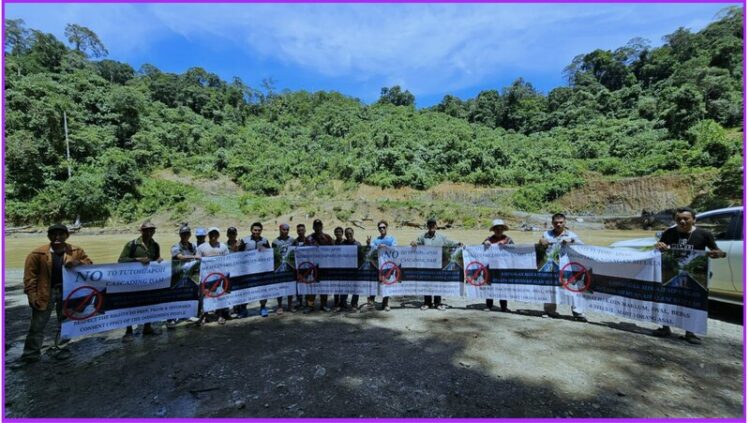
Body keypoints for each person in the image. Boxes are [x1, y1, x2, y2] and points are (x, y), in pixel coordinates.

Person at [18, 224, 92, 364]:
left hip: (68, 292)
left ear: (67, 235)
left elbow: (89, 264)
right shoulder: (37, 254)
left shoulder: (76, 251)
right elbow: (30, 278)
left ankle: (62, 348)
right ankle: (30, 354)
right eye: (53, 234)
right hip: (45, 292)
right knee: (37, 325)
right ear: (48, 236)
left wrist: (78, 262)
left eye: (61, 234)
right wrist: (32, 295)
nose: (57, 237)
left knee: (65, 322)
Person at [652, 207, 726, 345]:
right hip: (672, 273)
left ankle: (690, 333)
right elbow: (659, 249)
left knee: (691, 301)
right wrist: (658, 246)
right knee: (668, 299)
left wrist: (719, 254)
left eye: (686, 219)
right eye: (679, 219)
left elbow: (718, 251)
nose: (682, 221)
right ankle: (665, 328)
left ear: (694, 220)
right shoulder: (669, 233)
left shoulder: (704, 234)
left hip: (695, 274)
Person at [118, 220, 164, 341]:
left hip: (149, 281)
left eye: (151, 230)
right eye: (146, 230)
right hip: (133, 281)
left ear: (154, 231)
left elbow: (155, 258)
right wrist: (137, 260)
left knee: (149, 303)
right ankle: (128, 331)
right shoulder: (132, 244)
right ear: (141, 231)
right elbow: (121, 260)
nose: (149, 232)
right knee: (131, 304)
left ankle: (147, 327)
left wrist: (159, 259)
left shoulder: (155, 245)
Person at [538, 213, 587, 322]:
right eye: (556, 223)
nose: (558, 224)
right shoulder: (546, 234)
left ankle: (578, 313)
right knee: (550, 289)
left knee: (573, 289)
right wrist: (541, 242)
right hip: (551, 267)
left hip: (567, 267)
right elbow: (540, 245)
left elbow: (584, 247)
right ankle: (549, 311)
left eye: (561, 222)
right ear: (552, 223)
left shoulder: (571, 235)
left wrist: (572, 241)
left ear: (565, 223)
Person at [411, 217, 460, 311]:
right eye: (429, 225)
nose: (431, 226)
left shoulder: (441, 237)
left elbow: (450, 243)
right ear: (427, 226)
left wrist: (458, 243)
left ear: (436, 226)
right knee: (427, 284)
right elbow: (416, 243)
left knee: (438, 283)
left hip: (438, 264)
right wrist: (413, 243)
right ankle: (427, 303)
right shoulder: (422, 237)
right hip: (426, 265)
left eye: (433, 225)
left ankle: (438, 303)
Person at [168, 223, 200, 329]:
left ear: (190, 234)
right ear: (180, 235)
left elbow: (198, 257)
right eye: (183, 234)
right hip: (178, 275)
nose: (185, 235)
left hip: (190, 275)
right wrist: (194, 256)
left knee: (189, 295)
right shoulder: (175, 246)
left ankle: (188, 315)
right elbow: (179, 257)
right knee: (176, 296)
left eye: (187, 233)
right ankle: (172, 318)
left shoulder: (193, 246)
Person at [197, 227, 231, 324]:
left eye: (215, 234)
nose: (213, 236)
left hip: (219, 276)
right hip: (206, 276)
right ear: (208, 235)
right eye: (211, 234)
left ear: (218, 235)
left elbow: (228, 260)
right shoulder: (201, 247)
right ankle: (205, 315)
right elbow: (197, 261)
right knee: (206, 295)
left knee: (219, 294)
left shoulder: (223, 247)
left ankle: (220, 315)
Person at [240, 222, 272, 317]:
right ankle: (244, 309)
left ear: (261, 231)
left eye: (258, 230)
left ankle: (263, 307)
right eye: (255, 230)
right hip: (247, 270)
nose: (256, 232)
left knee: (262, 289)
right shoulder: (244, 240)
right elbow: (238, 254)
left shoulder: (265, 241)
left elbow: (269, 254)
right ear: (251, 230)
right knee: (246, 290)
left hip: (261, 270)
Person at [482, 219, 513, 312]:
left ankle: (503, 307)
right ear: (493, 230)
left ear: (503, 229)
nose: (498, 230)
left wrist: (507, 246)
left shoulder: (508, 240)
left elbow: (515, 251)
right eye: (496, 228)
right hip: (490, 267)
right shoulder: (488, 239)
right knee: (489, 285)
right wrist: (484, 244)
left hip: (503, 267)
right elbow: (479, 251)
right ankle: (489, 305)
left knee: (503, 286)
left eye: (500, 228)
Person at [367, 220, 397, 311]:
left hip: (388, 265)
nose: (382, 229)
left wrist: (385, 246)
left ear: (387, 228)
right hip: (377, 265)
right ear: (378, 229)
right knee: (375, 284)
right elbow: (371, 251)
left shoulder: (392, 238)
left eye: (384, 227)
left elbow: (395, 249)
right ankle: (371, 303)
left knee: (386, 284)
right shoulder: (376, 240)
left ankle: (385, 304)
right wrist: (369, 244)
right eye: (380, 228)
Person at [304, 219, 334, 313]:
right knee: (311, 287)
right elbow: (304, 251)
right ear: (313, 227)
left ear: (322, 226)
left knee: (323, 286)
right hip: (312, 266)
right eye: (316, 225)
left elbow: (334, 249)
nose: (317, 227)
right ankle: (310, 306)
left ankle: (324, 305)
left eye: (319, 225)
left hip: (324, 266)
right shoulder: (309, 238)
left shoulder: (327, 237)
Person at [272, 223, 296, 312]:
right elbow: (273, 255)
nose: (285, 231)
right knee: (280, 286)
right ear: (280, 229)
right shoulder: (275, 242)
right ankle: (279, 306)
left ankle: (290, 305)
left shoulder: (292, 240)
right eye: (283, 229)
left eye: (287, 230)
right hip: (279, 267)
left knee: (290, 286)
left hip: (290, 267)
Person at [341, 228, 364, 311]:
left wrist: (359, 267)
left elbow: (362, 257)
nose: (348, 235)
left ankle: (354, 304)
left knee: (355, 288)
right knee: (345, 287)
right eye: (346, 234)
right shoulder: (342, 244)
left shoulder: (358, 244)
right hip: (345, 269)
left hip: (355, 270)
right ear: (345, 235)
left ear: (353, 233)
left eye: (350, 233)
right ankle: (343, 303)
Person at [332, 227, 348, 312]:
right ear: (334, 233)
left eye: (339, 232)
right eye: (336, 232)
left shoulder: (346, 242)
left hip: (344, 267)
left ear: (342, 233)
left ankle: (343, 302)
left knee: (344, 285)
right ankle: (336, 302)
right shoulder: (332, 243)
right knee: (336, 286)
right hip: (335, 267)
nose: (338, 233)